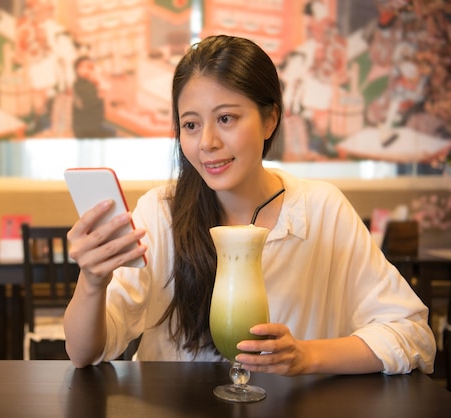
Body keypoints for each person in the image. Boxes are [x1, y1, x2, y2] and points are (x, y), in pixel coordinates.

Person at [63, 35, 435, 376]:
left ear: (270, 119)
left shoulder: (320, 209)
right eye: (190, 125)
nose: (207, 142)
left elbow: (411, 332)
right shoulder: (159, 214)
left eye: (226, 118)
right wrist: (93, 282)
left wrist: (306, 356)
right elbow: (84, 353)